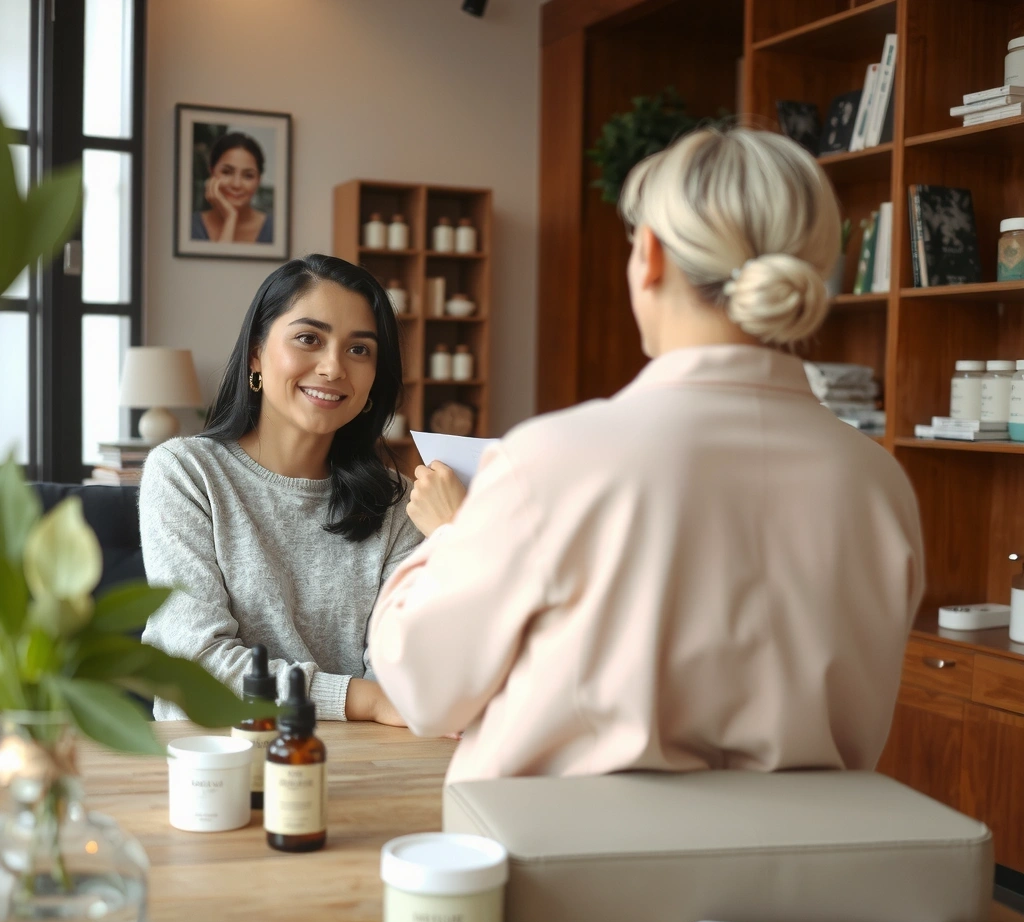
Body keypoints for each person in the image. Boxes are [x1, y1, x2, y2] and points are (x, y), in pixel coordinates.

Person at [368, 126, 925, 783]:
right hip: (803, 879)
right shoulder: (878, 483)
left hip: (569, 873)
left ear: (650, 256)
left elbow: (426, 690)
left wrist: (454, 538)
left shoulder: (550, 462)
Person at [141, 254, 420, 723]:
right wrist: (365, 700)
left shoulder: (399, 502)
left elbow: (402, 675)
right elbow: (197, 663)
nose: (333, 368)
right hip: (211, 760)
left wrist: (456, 537)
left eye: (359, 350)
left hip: (355, 761)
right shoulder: (186, 473)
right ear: (256, 353)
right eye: (308, 339)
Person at [191, 131, 274, 244]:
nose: (236, 184)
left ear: (258, 180)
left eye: (248, 176)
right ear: (211, 172)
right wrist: (230, 218)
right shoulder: (189, 226)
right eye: (227, 172)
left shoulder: (274, 229)